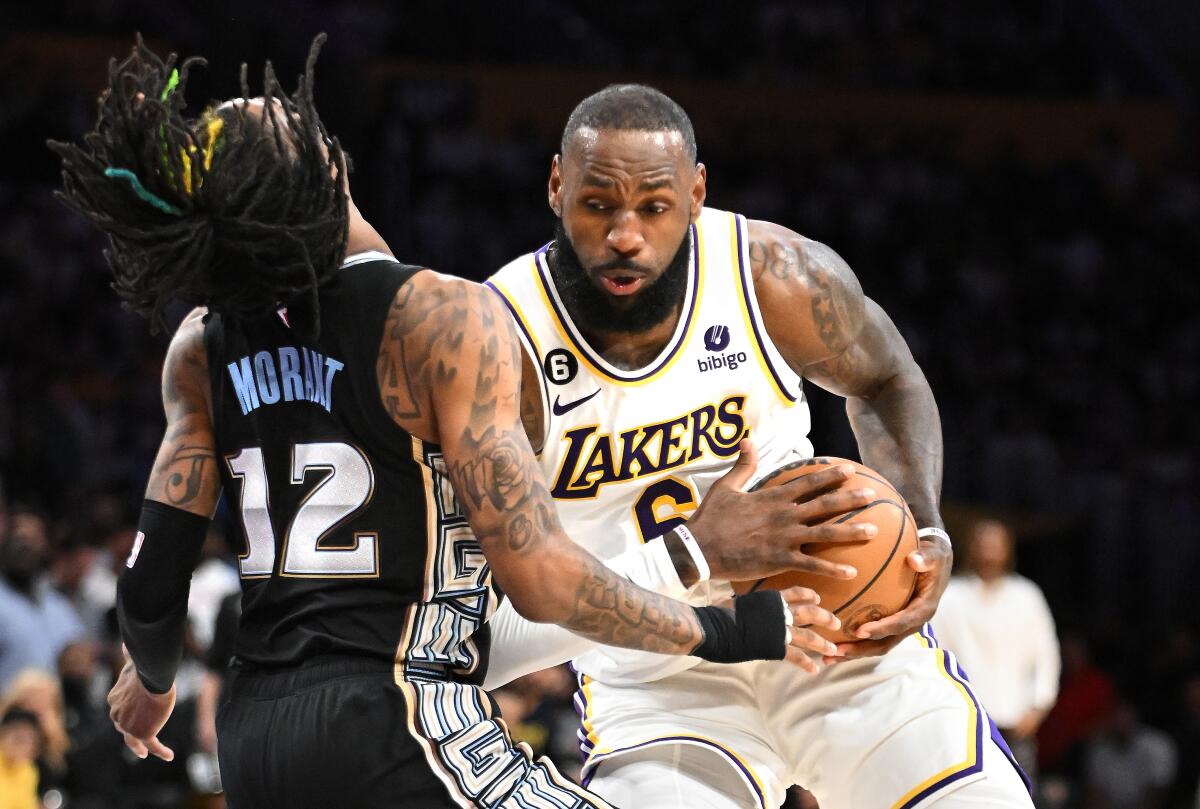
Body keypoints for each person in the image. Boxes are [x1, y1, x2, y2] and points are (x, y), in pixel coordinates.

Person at [50, 38, 864, 809]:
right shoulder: (439, 316)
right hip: (398, 714)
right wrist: (727, 627)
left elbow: (151, 590)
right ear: (326, 166)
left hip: (256, 739)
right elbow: (540, 577)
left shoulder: (199, 344)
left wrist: (152, 680)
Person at [485, 84, 1035, 807]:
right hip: (656, 671)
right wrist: (694, 555)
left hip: (829, 623)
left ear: (696, 192)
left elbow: (887, 377)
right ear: (556, 185)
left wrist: (925, 522)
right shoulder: (498, 344)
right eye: (598, 205)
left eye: (654, 206)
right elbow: (484, 642)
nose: (626, 234)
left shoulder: (769, 275)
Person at [933, 519, 1060, 784]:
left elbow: (1046, 655)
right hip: (966, 720)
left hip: (1017, 719)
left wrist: (1039, 706)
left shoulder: (1026, 595)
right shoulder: (950, 595)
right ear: (970, 547)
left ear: (1008, 549)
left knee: (1019, 794)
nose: (989, 549)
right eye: (983, 542)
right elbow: (934, 656)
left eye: (996, 542)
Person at [0, 508, 87, 690]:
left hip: (52, 714)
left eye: (31, 541)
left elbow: (80, 659)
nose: (23, 548)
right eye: (17, 539)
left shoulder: (58, 606)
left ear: (46, 547)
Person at [0, 708, 41, 809]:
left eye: (31, 742)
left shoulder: (29, 771)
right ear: (2, 735)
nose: (24, 747)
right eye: (19, 739)